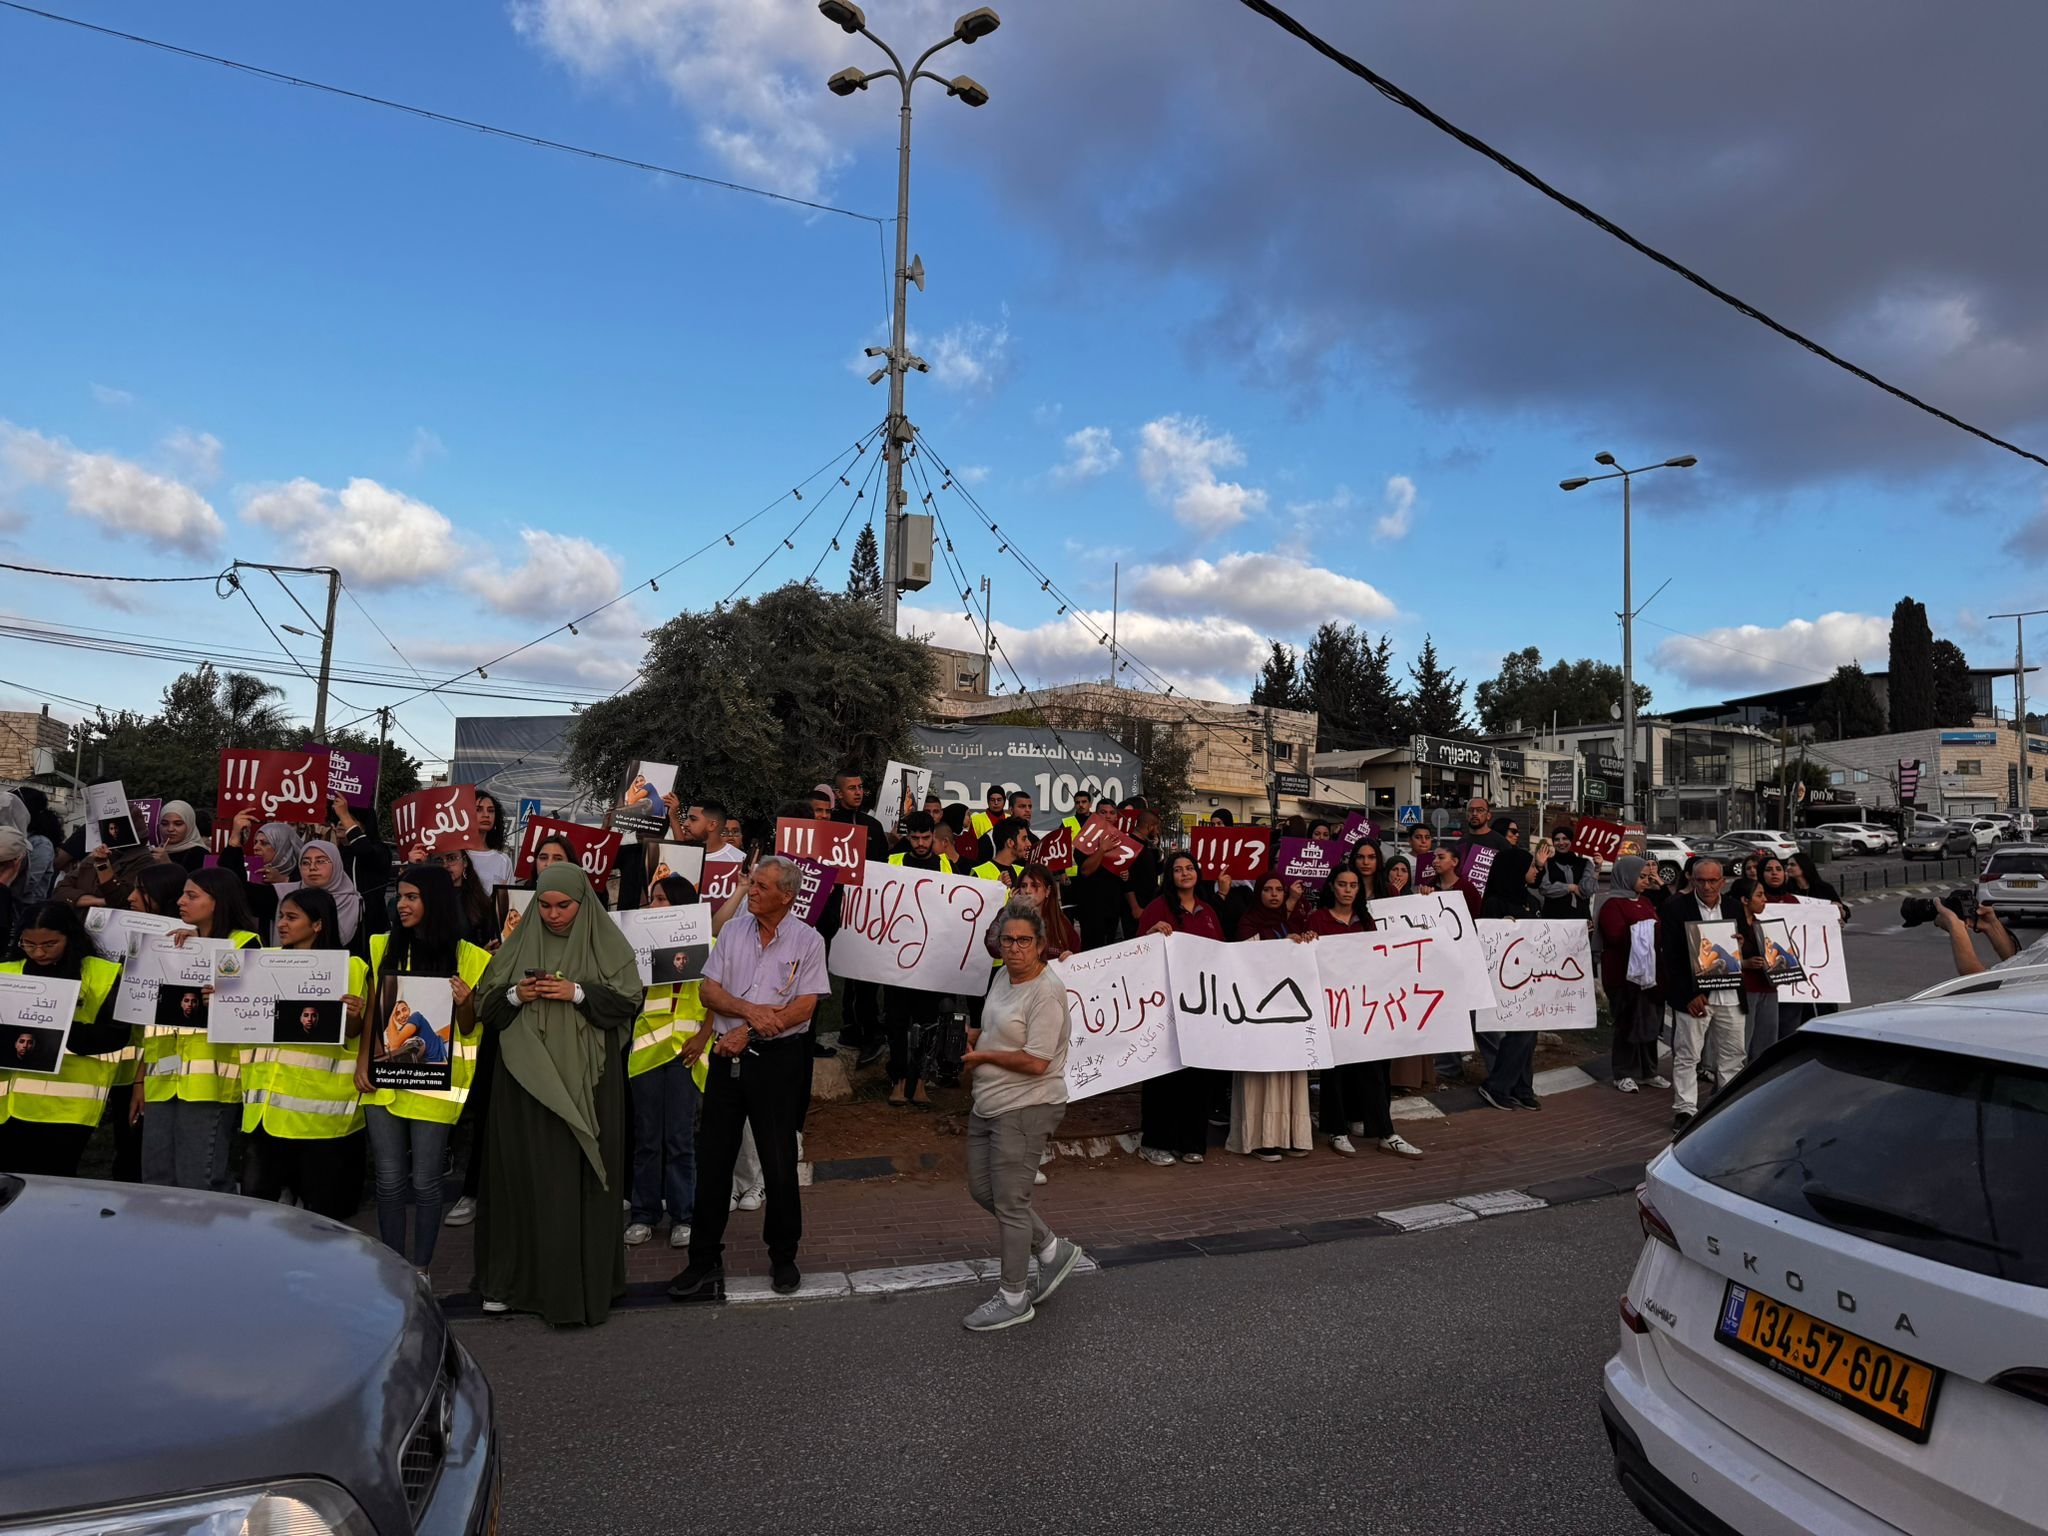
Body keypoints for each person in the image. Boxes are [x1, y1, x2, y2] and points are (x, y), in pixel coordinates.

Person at [473, 863, 643, 1325]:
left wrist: (576, 993)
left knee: (581, 1178)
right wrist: (515, 996)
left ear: (583, 902)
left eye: (563, 905)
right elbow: (484, 1004)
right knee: (521, 1176)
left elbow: (628, 1000)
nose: (552, 915)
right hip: (522, 1084)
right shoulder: (517, 941)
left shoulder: (606, 942)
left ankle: (582, 1287)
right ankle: (510, 1283)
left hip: (589, 1083)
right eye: (544, 905)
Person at [669, 857, 831, 1303]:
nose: (752, 890)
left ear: (786, 895)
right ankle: (703, 1260)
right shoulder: (734, 932)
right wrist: (749, 1013)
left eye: (761, 885)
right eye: (752, 883)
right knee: (714, 1160)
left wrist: (751, 1029)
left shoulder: (808, 940)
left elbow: (805, 1007)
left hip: (778, 1061)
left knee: (778, 1162)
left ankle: (783, 1255)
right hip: (726, 1057)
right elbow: (708, 991)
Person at [354, 864, 492, 1273]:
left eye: (412, 896)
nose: (402, 904)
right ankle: (395, 1267)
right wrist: (364, 1062)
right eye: (400, 896)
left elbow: (468, 1027)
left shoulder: (470, 956)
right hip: (384, 1083)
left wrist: (466, 1000)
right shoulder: (382, 945)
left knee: (426, 1183)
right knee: (389, 1181)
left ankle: (422, 1269)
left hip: (435, 1086)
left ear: (435, 901)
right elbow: (373, 1010)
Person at [957, 897, 1085, 1332]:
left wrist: (984, 1056)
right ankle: (1052, 1250)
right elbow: (998, 1028)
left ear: (1042, 944)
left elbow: (1037, 1061)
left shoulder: (1047, 992)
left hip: (1028, 1104)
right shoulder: (1002, 979)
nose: (1014, 948)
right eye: (1007, 940)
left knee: (1011, 1202)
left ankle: (1014, 1297)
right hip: (987, 1101)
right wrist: (976, 1035)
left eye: (1024, 941)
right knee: (982, 1190)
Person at [238, 886, 367, 1219]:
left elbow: (353, 1034)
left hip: (321, 1121)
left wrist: (355, 1017)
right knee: (260, 1213)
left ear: (318, 924)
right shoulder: (262, 964)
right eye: (281, 915)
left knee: (321, 1219)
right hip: (264, 1112)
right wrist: (221, 998)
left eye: (292, 917)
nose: (282, 924)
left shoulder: (351, 968)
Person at [140, 869, 263, 1190]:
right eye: (182, 894)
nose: (181, 901)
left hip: (210, 1083)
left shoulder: (245, 944)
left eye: (192, 895)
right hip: (163, 1078)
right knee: (156, 1177)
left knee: (200, 1180)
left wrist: (214, 982)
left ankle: (213, 1237)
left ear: (218, 902)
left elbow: (252, 1018)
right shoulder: (173, 942)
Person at [1295, 868, 1423, 1159]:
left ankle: (1385, 1132)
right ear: (1332, 887)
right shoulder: (1317, 919)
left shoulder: (1366, 921)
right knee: (1335, 1073)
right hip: (1333, 1006)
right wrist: (1308, 941)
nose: (1348, 890)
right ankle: (1336, 1130)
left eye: (1353, 885)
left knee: (1374, 1071)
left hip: (1365, 1006)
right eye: (1342, 884)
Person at [0, 902, 128, 1176]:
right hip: (6, 1109)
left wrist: (58, 1026)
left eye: (49, 944)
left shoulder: (102, 974)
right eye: (28, 944)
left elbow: (117, 1035)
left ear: (70, 937)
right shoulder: (6, 973)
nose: (38, 952)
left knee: (52, 1185)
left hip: (66, 1108)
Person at [623, 873, 712, 1250]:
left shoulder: (709, 943)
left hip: (688, 1053)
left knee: (680, 1138)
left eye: (661, 899)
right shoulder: (639, 945)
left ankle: (684, 1216)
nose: (654, 906)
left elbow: (719, 996)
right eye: (652, 900)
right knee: (646, 1139)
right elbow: (628, 994)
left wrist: (703, 1036)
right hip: (647, 1053)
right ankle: (643, 1214)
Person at [1135, 850, 1223, 1167]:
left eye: (1189, 868)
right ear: (1169, 876)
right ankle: (1156, 1142)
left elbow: (1219, 956)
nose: (1184, 873)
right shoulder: (1157, 909)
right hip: (1166, 1006)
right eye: (1177, 869)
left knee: (1197, 1078)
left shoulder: (1209, 912)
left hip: (1201, 1009)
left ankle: (1191, 1142)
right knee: (1163, 1077)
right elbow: (1138, 951)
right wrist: (1150, 934)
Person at [1223, 877, 1316, 1162]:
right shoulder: (1249, 921)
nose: (1274, 895)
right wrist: (1280, 944)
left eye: (1278, 890)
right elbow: (1244, 955)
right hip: (1257, 1010)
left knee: (1289, 1073)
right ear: (1258, 893)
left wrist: (1306, 941)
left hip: (1289, 1011)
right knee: (1260, 1075)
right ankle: (1260, 1139)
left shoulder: (1291, 921)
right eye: (1267, 890)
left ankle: (1290, 1135)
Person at [1656, 857, 1747, 1132]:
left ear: (1723, 881)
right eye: (1701, 880)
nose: (1707, 886)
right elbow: (1670, 958)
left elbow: (1744, 947)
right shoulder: (1676, 909)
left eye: (1712, 880)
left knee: (1734, 1054)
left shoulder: (1732, 907)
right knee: (1687, 1054)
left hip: (1730, 994)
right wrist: (1687, 994)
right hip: (1695, 997)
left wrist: (1742, 944)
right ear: (1692, 880)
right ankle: (1684, 1109)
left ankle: (1726, 1104)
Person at [883, 812, 952, 1106]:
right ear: (908, 836)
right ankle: (898, 1080)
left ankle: (921, 1081)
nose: (921, 843)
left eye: (926, 838)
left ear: (933, 836)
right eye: (916, 838)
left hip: (931, 960)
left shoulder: (945, 865)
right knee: (896, 1022)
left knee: (928, 1023)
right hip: (895, 960)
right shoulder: (892, 862)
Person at [830, 769, 890, 1064]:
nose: (858, 792)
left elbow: (882, 869)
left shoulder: (873, 826)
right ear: (838, 794)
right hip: (835, 909)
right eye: (851, 787)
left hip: (867, 910)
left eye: (860, 787)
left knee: (864, 973)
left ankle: (871, 1033)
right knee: (843, 970)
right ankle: (850, 1028)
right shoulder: (828, 825)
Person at [1596, 855, 1666, 1093]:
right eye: (1641, 877)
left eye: (1648, 877)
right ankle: (1623, 1072)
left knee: (1650, 1022)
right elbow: (1617, 935)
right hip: (1622, 975)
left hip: (1649, 975)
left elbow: (1657, 928)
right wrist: (1650, 930)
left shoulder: (1645, 901)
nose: (1646, 881)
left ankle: (1649, 1071)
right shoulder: (1612, 904)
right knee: (1627, 1023)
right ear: (1626, 876)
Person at [1728, 877, 1789, 1061]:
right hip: (1746, 989)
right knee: (1742, 1041)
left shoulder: (1763, 926)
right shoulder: (1731, 925)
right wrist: (1745, 963)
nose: (1764, 900)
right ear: (1745, 900)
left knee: (1767, 1038)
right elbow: (1716, 960)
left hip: (1769, 987)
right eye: (1759, 895)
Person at [330, 795, 393, 938]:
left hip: (368, 927)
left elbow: (364, 851)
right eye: (339, 818)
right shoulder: (337, 852)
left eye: (349, 819)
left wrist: (345, 815)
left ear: (365, 826)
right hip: (339, 924)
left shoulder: (380, 850)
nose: (341, 822)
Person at [296, 838, 369, 960]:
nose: (312, 867)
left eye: (320, 861)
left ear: (336, 864)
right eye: (305, 862)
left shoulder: (355, 903)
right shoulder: (286, 894)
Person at [431, 848, 499, 949]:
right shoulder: (427, 899)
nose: (445, 865)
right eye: (438, 860)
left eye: (452, 858)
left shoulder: (480, 901)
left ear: (465, 862)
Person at [1121, 809, 1164, 942]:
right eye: (1156, 828)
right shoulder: (1129, 844)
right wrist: (1135, 907)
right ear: (1150, 826)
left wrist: (1158, 850)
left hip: (1149, 902)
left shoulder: (1149, 846)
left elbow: (1158, 871)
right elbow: (1126, 879)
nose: (1157, 832)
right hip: (1136, 905)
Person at [1539, 826, 1596, 920]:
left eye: (1565, 838)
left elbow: (1587, 890)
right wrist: (1570, 887)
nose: (1561, 843)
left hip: (1580, 917)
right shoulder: (1547, 863)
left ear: (1572, 841)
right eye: (1557, 840)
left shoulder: (1585, 863)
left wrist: (1597, 869)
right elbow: (1544, 888)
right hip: (1553, 919)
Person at [468, 791, 515, 894]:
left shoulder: (503, 860)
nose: (486, 815)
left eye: (491, 811)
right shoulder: (455, 856)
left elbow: (509, 900)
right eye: (478, 810)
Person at [156, 799, 210, 873]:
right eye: (164, 824)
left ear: (189, 825)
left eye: (178, 824)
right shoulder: (155, 851)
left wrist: (167, 864)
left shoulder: (201, 854)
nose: (170, 829)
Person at [1406, 824, 1437, 890]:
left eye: (1427, 837)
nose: (1423, 841)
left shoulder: (1437, 859)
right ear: (1409, 840)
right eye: (1418, 837)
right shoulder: (1402, 860)